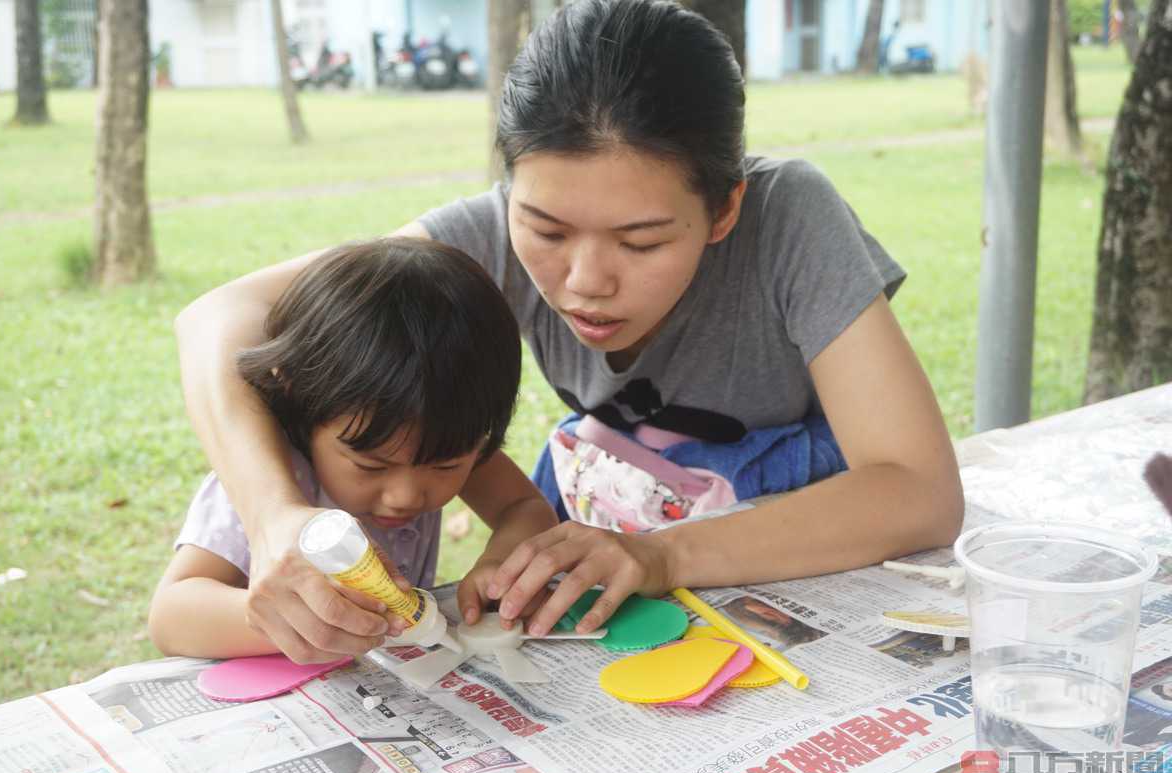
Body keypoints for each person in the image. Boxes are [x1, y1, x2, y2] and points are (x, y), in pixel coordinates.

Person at [173, 0, 963, 664]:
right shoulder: (480, 239)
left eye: (642, 242)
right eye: (544, 228)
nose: (584, 281)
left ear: (725, 208)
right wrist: (275, 517)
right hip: (609, 517)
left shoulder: (789, 217)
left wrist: (664, 553)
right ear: (509, 187)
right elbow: (217, 318)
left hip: (789, 532)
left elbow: (916, 491)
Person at [149, 238, 557, 659]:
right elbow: (171, 615)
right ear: (303, 402)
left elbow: (525, 508)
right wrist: (299, 622)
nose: (405, 496)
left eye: (446, 467)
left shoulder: (443, 432)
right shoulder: (277, 472)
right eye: (371, 466)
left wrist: (501, 563)